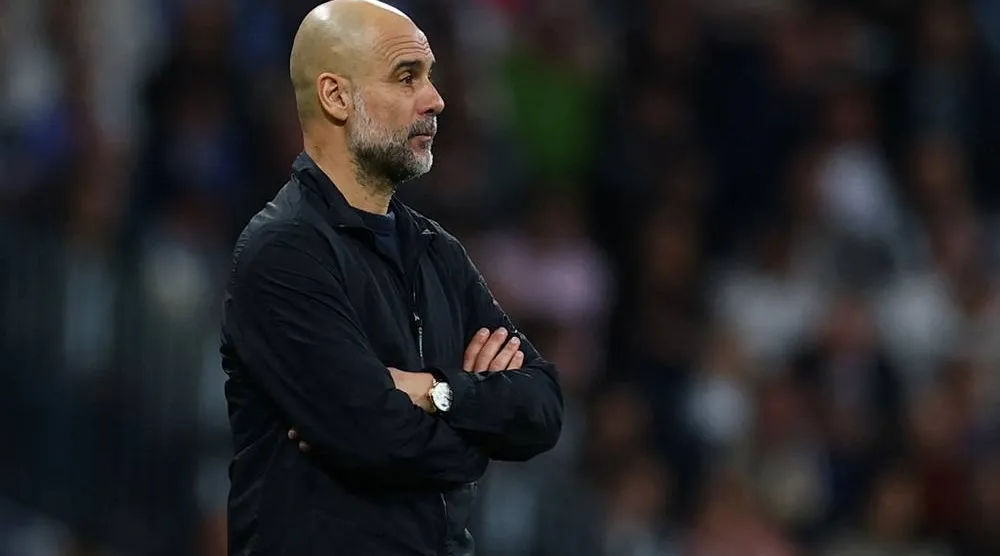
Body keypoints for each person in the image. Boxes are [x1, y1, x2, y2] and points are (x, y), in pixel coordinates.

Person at [219, 1, 564, 554]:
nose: (436, 99)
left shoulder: (435, 250)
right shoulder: (283, 252)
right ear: (336, 97)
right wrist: (479, 439)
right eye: (407, 77)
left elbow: (543, 406)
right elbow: (375, 436)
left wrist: (436, 392)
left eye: (429, 76)